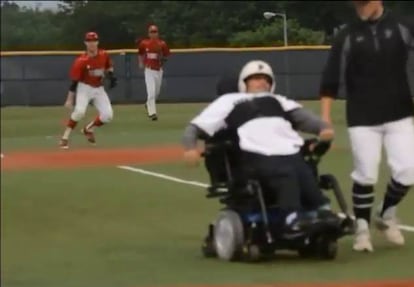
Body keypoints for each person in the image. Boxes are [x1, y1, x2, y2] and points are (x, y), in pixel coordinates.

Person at [319, 0, 414, 252]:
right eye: (357, 5)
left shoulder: (403, 26)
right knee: (366, 173)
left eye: (365, 3)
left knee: (408, 169)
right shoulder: (346, 35)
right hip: (362, 117)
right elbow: (330, 78)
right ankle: (362, 230)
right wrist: (325, 118)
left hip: (400, 113)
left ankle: (385, 213)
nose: (361, 9)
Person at [182, 60, 335, 213]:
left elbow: (309, 121)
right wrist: (190, 148)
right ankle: (291, 215)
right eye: (256, 78)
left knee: (304, 173)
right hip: (253, 154)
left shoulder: (279, 101)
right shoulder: (228, 100)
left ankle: (321, 209)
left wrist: (323, 129)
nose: (262, 82)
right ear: (245, 83)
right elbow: (194, 128)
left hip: (289, 151)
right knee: (286, 173)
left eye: (266, 79)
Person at [59, 31, 117, 149]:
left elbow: (109, 65)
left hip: (98, 88)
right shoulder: (81, 61)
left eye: (94, 41)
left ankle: (88, 129)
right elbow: (74, 82)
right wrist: (69, 99)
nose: (92, 43)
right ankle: (65, 137)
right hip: (84, 87)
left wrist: (111, 75)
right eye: (89, 41)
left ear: (98, 42)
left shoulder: (103, 54)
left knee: (108, 115)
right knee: (79, 111)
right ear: (85, 43)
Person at [137, 24, 171, 121]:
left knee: (156, 92)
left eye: (155, 32)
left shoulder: (162, 44)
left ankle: (148, 104)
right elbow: (140, 53)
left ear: (158, 33)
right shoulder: (144, 43)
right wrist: (140, 62)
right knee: (151, 92)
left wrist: (162, 59)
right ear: (148, 34)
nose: (153, 34)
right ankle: (152, 113)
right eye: (151, 32)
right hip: (149, 70)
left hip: (158, 70)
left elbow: (167, 55)